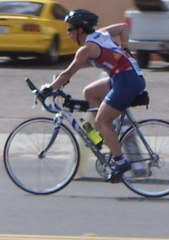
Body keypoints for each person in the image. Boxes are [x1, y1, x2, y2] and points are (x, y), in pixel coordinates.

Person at [39, 9, 146, 183]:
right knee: (90, 92)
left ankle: (121, 162)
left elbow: (67, 73)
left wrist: (48, 89)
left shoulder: (87, 49)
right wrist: (124, 47)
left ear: (80, 30)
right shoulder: (101, 34)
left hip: (127, 80)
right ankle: (100, 136)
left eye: (70, 29)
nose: (68, 34)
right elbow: (123, 28)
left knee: (102, 121)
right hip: (125, 77)